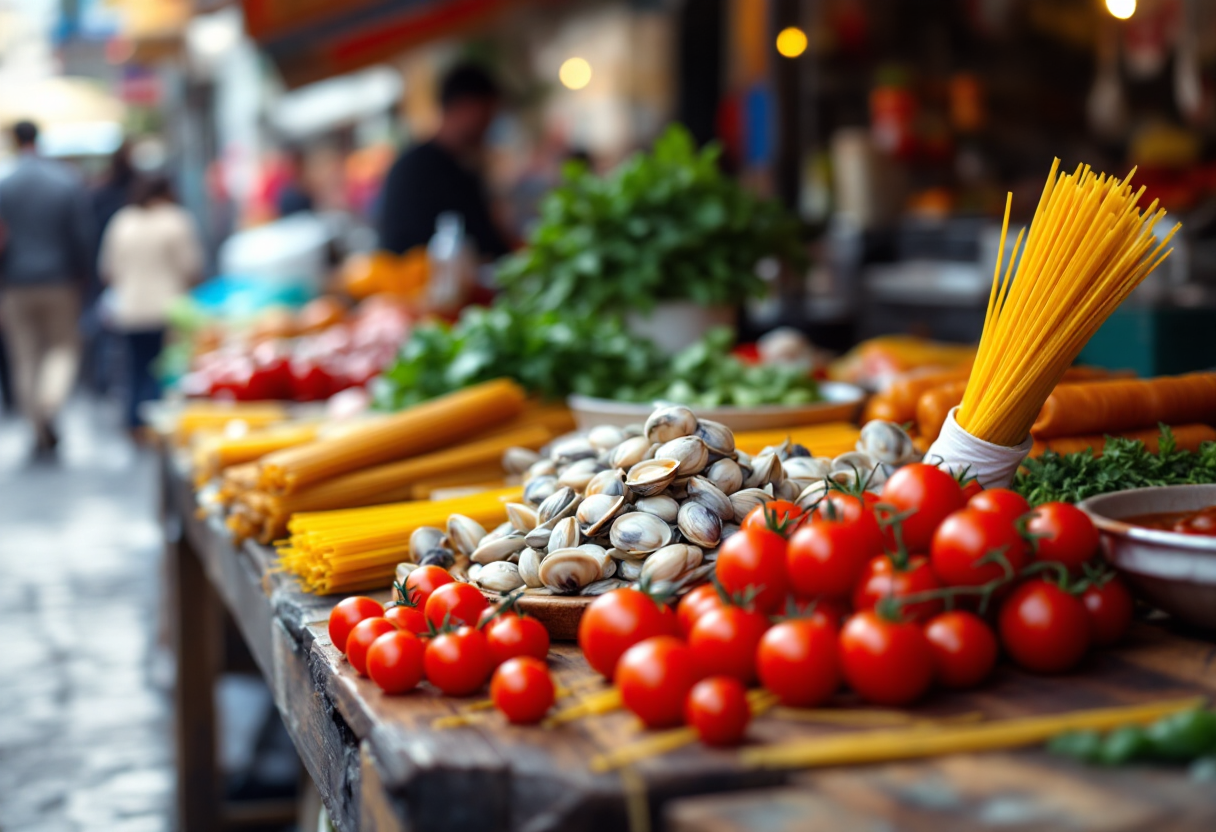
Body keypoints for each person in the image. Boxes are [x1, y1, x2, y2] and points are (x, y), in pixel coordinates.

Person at [0, 120, 93, 456]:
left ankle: (37, 425)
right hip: (60, 280)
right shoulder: (64, 181)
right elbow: (81, 234)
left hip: (15, 283)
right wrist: (85, 274)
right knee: (64, 348)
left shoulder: (5, 184)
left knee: (25, 357)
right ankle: (51, 401)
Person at [99, 175, 202, 435]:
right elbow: (191, 267)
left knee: (135, 368)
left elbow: (107, 270)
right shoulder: (175, 220)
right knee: (164, 370)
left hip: (129, 309)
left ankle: (134, 421)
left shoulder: (122, 221)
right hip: (168, 309)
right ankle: (156, 426)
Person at [377, 62, 509, 259]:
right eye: (487, 114)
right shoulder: (415, 171)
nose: (488, 125)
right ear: (466, 106)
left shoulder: (462, 166)